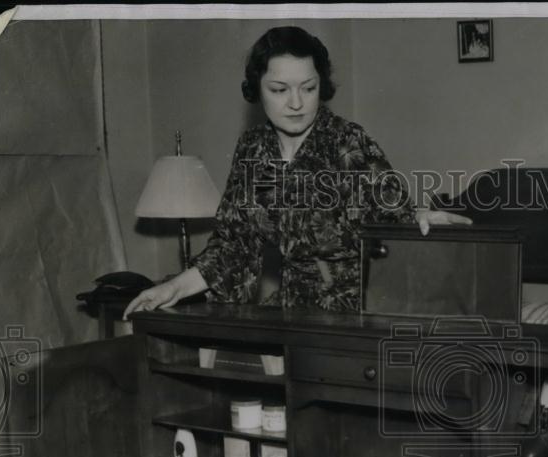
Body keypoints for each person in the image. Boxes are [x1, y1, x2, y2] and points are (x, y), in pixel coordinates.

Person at [125, 26, 470, 318]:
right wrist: (171, 288)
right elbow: (234, 246)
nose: (296, 103)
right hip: (292, 313)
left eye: (308, 88)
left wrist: (420, 218)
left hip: (355, 316)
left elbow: (397, 221)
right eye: (279, 90)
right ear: (257, 89)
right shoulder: (253, 150)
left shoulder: (348, 143)